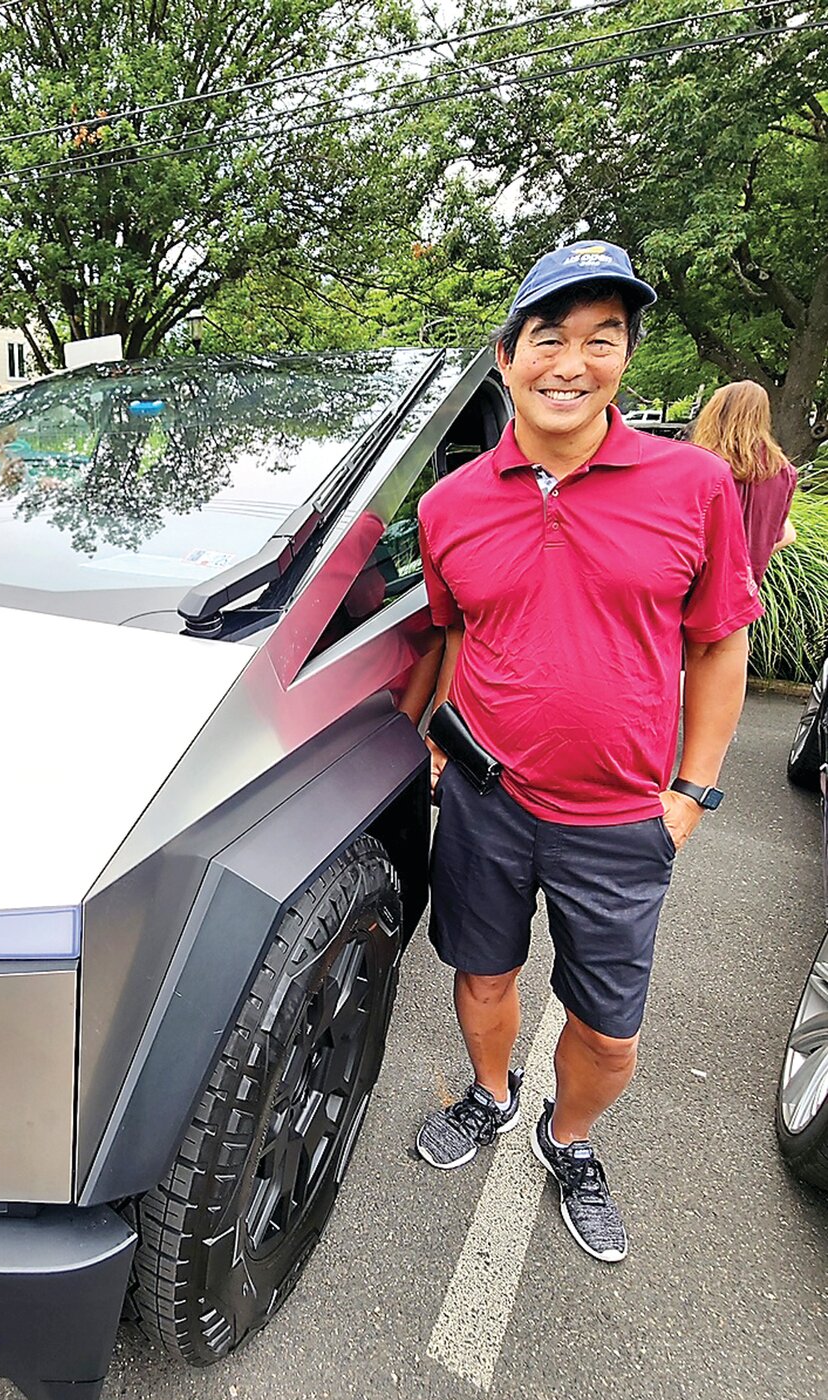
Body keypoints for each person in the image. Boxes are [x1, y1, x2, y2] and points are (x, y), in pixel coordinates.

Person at [413, 240, 761, 1263]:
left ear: (623, 359)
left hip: (620, 816)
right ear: (507, 355)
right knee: (482, 979)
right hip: (487, 802)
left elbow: (721, 639)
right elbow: (457, 632)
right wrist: (439, 743)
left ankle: (568, 1142)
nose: (572, 361)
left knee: (610, 1032)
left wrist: (692, 789)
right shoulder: (450, 504)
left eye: (600, 339)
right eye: (549, 337)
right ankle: (490, 1094)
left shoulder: (692, 483)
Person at [689, 380, 798, 583]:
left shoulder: (700, 462)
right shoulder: (783, 471)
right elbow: (784, 535)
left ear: (716, 412)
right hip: (743, 591)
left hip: (693, 586)